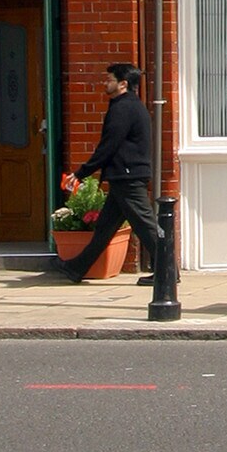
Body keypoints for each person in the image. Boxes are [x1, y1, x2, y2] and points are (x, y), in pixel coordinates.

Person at [56, 64, 159, 286]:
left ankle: (167, 271)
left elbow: (108, 145)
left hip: (127, 176)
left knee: (144, 224)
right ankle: (77, 268)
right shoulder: (131, 106)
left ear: (123, 84)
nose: (106, 82)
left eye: (110, 79)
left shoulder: (123, 108)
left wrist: (82, 172)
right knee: (105, 227)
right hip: (125, 175)